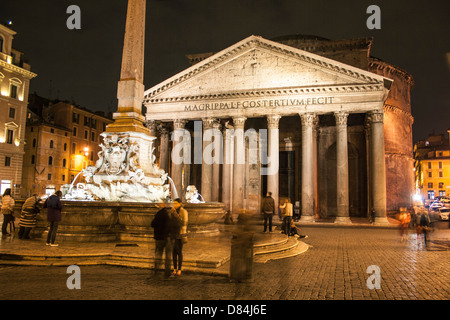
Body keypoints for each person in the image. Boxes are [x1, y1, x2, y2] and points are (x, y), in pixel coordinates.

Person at [151, 203, 179, 279]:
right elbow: (175, 225)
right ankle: (167, 272)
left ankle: (157, 270)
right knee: (168, 256)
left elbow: (152, 224)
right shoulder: (170, 215)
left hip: (159, 237)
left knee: (158, 253)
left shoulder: (159, 214)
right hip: (168, 237)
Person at [171, 198, 188, 276]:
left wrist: (175, 214)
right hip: (173, 234)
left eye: (176, 203)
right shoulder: (173, 211)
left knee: (179, 251)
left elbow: (183, 222)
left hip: (180, 234)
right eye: (174, 203)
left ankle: (179, 269)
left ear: (180, 203)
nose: (175, 205)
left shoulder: (183, 211)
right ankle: (174, 268)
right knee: (173, 252)